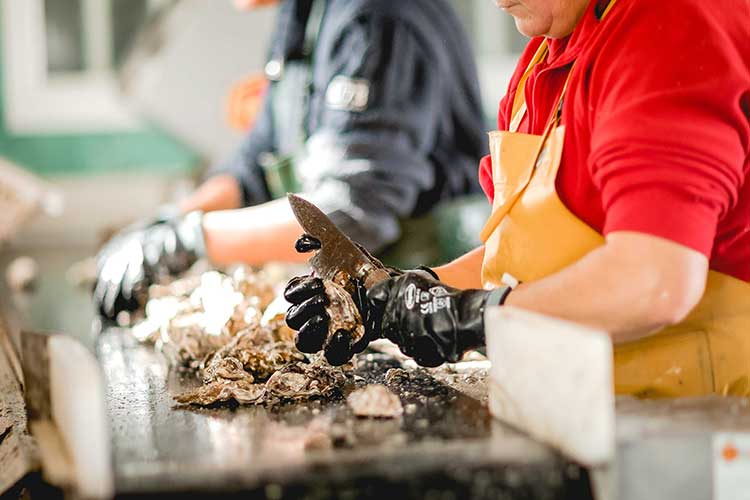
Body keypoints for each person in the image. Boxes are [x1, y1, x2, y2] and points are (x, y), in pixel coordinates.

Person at [285, 0, 750, 398]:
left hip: (705, 429)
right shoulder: (544, 57)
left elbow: (654, 281)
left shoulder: (671, 27)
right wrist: (400, 295)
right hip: (588, 406)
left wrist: (471, 317)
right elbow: (522, 259)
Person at [94, 0, 487, 320]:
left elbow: (348, 216)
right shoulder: (303, 12)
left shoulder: (381, 19)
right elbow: (255, 164)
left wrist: (189, 239)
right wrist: (170, 221)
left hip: (431, 309)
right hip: (356, 302)